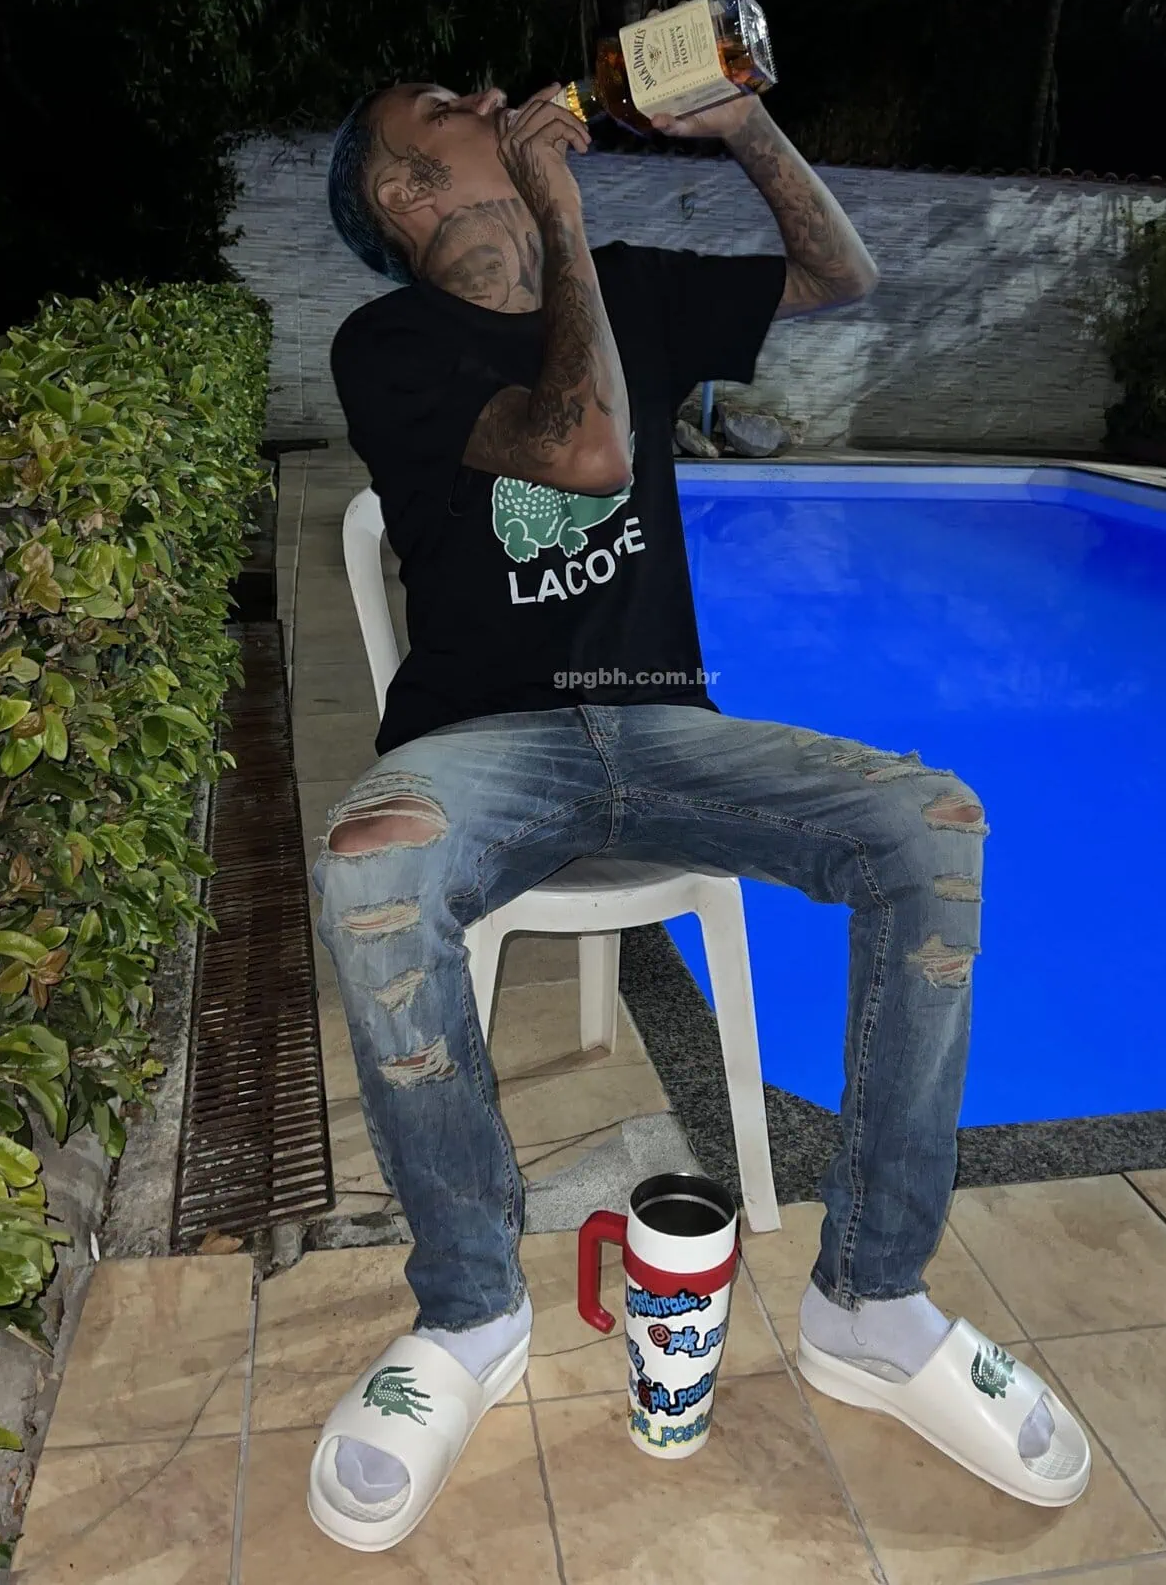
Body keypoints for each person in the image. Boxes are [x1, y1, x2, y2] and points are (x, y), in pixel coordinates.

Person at [306, 76, 1091, 1551]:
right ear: (405, 193)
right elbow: (583, 451)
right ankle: (470, 1314)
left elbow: (842, 273)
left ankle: (873, 1299)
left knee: (932, 824)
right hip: (485, 742)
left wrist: (740, 129)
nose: (492, 96)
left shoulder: (633, 286)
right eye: (450, 107)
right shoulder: (388, 343)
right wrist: (560, 209)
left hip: (667, 726)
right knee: (370, 867)